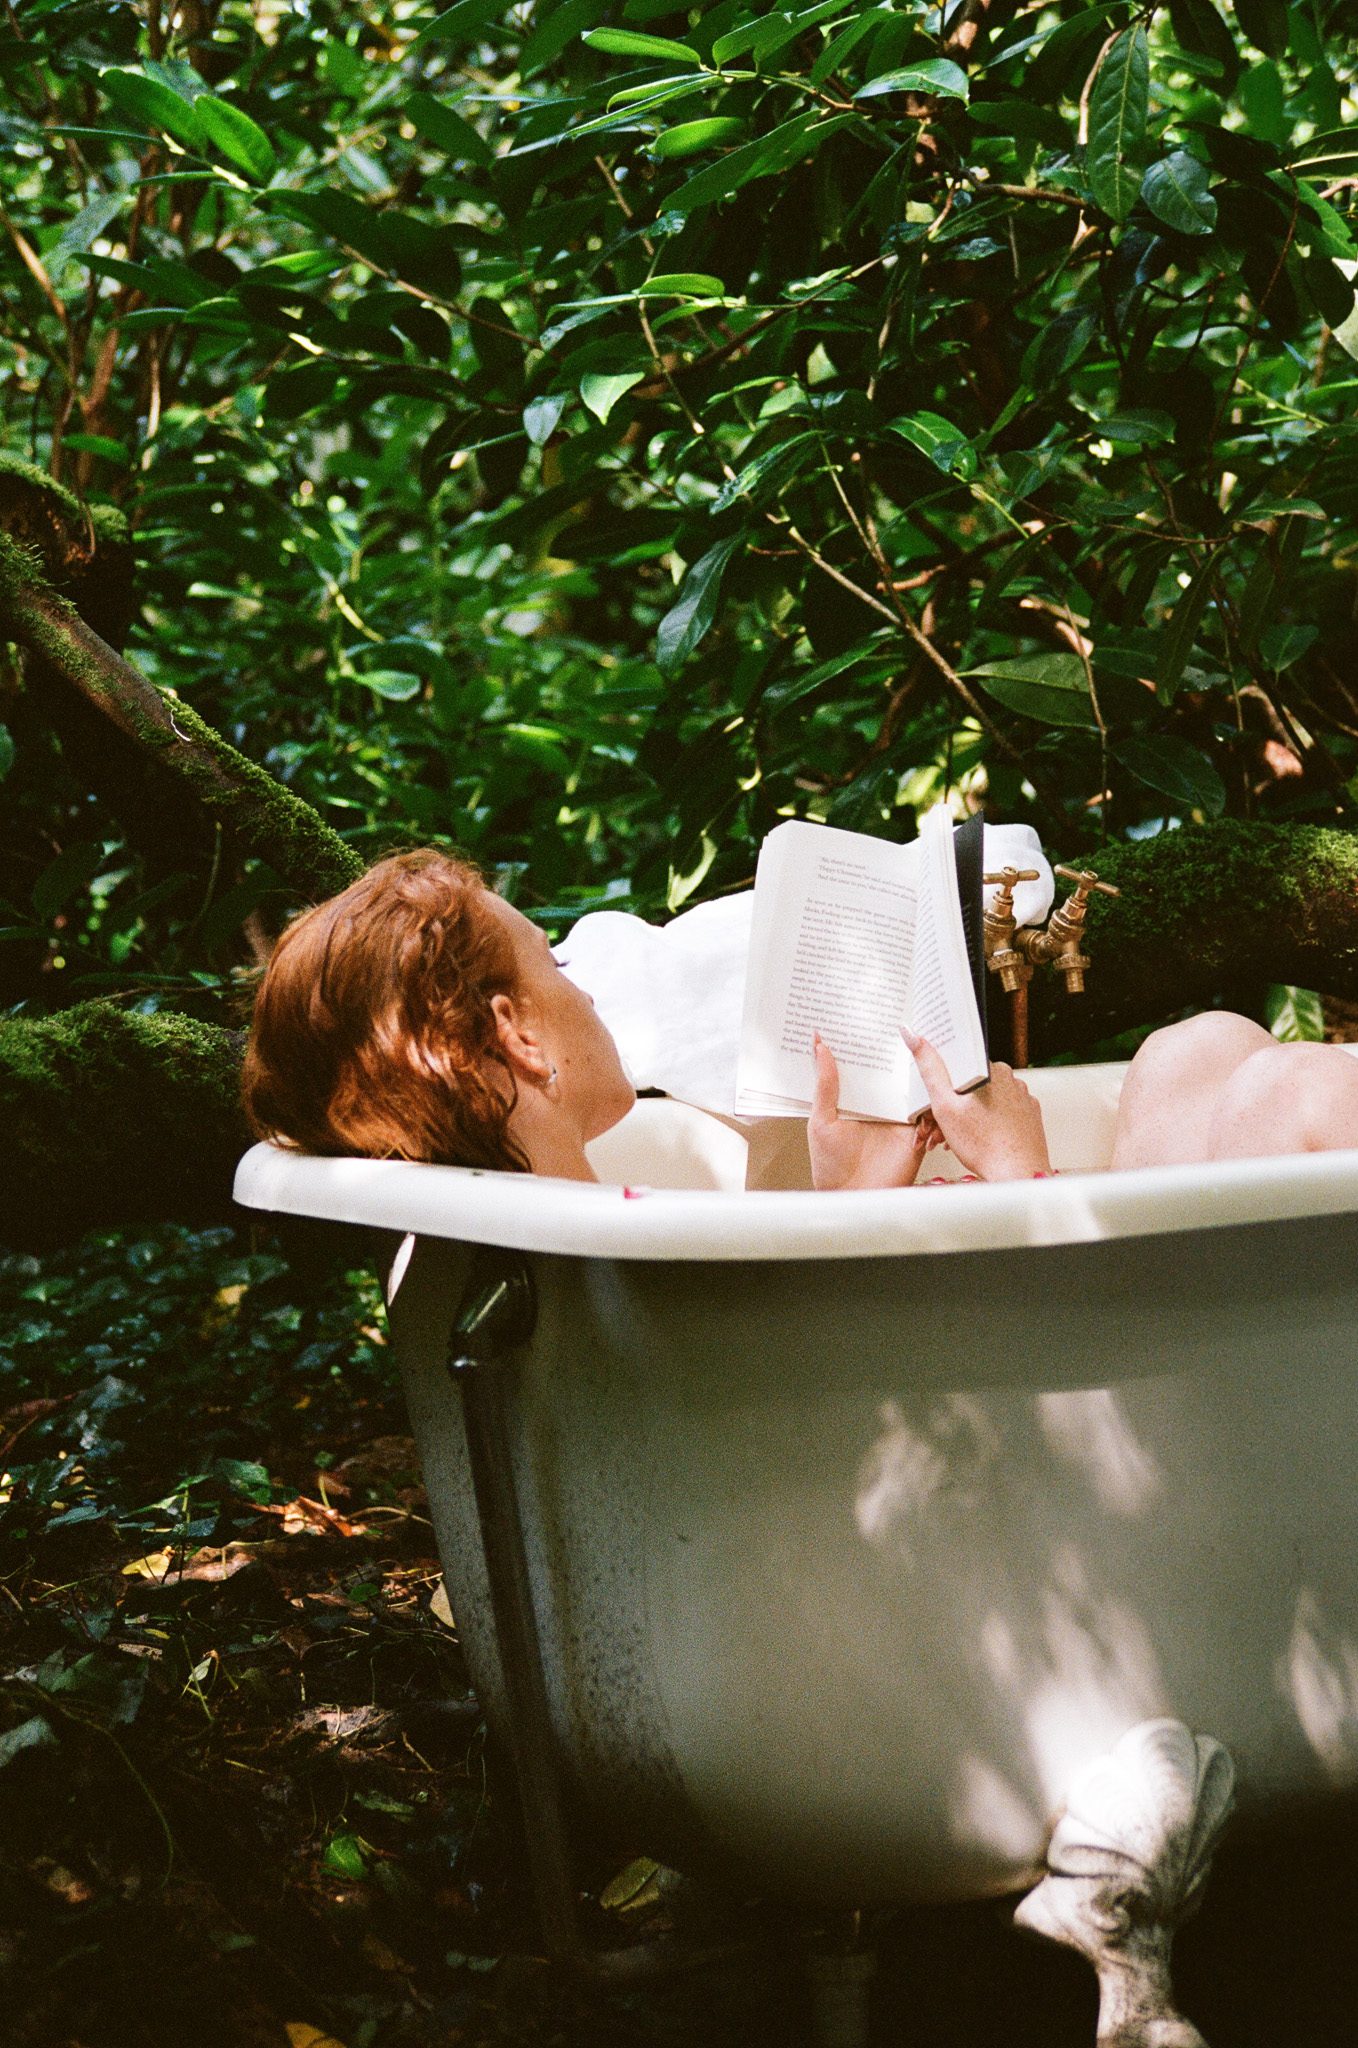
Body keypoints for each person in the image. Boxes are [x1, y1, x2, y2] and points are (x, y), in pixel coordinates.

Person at [244, 848, 1358, 1192]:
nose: (585, 986)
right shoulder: (607, 1245)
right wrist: (1023, 1185)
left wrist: (848, 1197)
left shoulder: (584, 1230)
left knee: (1193, 1051)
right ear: (520, 1037)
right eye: (557, 963)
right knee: (1278, 1091)